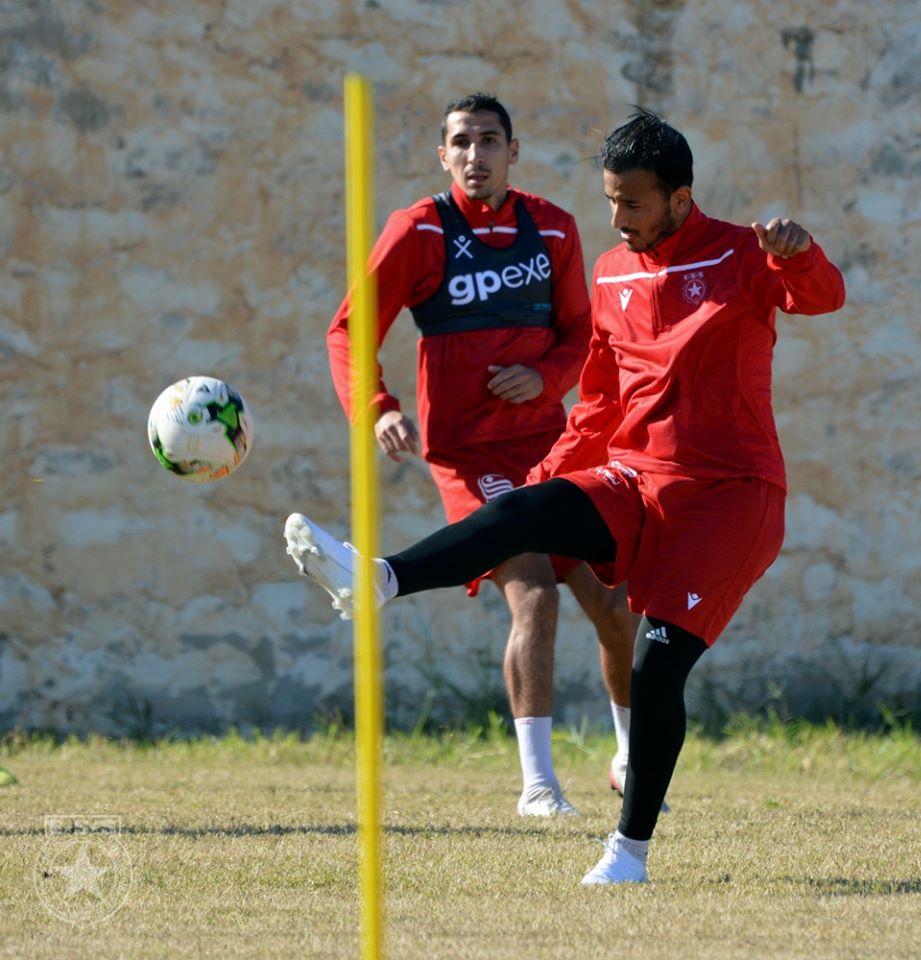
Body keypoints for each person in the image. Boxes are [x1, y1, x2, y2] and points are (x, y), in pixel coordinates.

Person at [286, 107, 845, 884]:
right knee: (518, 513)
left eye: (634, 204)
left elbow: (822, 296)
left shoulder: (739, 256)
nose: (616, 220)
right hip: (635, 478)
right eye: (610, 200)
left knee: (654, 665)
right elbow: (600, 405)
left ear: (680, 199)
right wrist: (550, 481)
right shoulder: (614, 271)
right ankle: (380, 579)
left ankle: (629, 851)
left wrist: (801, 251)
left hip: (729, 496)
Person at [318, 92, 638, 817]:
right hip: (470, 454)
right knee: (534, 592)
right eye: (461, 142)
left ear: (513, 152)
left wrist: (546, 377)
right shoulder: (420, 229)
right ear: (443, 155)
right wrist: (378, 409)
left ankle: (630, 758)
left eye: (490, 141)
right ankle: (538, 786)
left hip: (553, 446)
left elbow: (584, 336)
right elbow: (347, 330)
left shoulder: (553, 229)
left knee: (616, 602)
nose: (476, 155)